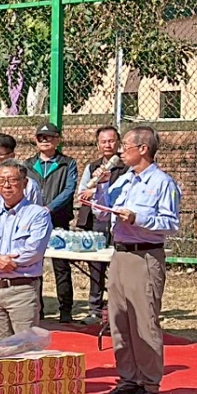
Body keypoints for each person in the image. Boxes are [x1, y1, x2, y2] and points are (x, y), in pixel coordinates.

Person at [93, 125, 181, 394]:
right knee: (118, 320)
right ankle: (127, 379)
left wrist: (137, 217)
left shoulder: (162, 183)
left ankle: (149, 383)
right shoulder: (124, 180)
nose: (120, 152)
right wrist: (99, 187)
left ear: (143, 149)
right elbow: (100, 210)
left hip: (144, 256)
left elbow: (171, 224)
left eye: (126, 147)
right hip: (119, 254)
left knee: (144, 321)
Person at [0, 162, 51, 341]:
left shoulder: (38, 214)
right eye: (1, 181)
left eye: (12, 180)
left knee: (26, 349)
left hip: (21, 291)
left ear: (25, 183)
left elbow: (33, 251)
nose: (6, 185)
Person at [26, 123, 80, 321]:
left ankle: (66, 309)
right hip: (33, 223)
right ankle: (36, 308)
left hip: (58, 219)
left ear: (57, 140)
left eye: (49, 137)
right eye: (41, 137)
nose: (45, 141)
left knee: (61, 266)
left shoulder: (68, 163)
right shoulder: (28, 164)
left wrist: (49, 208)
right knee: (33, 264)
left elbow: (68, 190)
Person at [75, 125, 125, 323]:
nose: (108, 145)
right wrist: (93, 189)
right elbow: (83, 193)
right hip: (96, 220)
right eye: (103, 141)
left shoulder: (126, 167)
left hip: (118, 220)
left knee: (116, 265)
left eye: (111, 141)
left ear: (118, 143)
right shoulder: (93, 166)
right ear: (97, 144)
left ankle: (115, 307)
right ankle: (94, 307)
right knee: (96, 264)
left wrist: (98, 190)